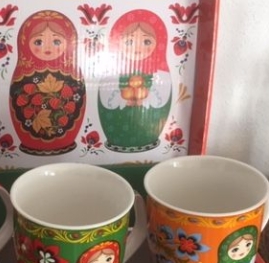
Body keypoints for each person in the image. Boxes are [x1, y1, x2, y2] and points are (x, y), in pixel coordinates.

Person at [10, 10, 85, 155]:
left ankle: (64, 141)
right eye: (38, 42)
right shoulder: (22, 75)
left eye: (57, 41)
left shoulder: (73, 75)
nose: (48, 48)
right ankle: (31, 143)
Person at [98, 9, 172, 152]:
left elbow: (161, 99)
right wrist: (123, 98)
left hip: (148, 128)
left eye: (146, 41)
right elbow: (106, 98)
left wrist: (144, 97)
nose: (137, 48)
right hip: (118, 122)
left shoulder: (160, 73)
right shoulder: (111, 73)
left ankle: (147, 140)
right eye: (129, 41)